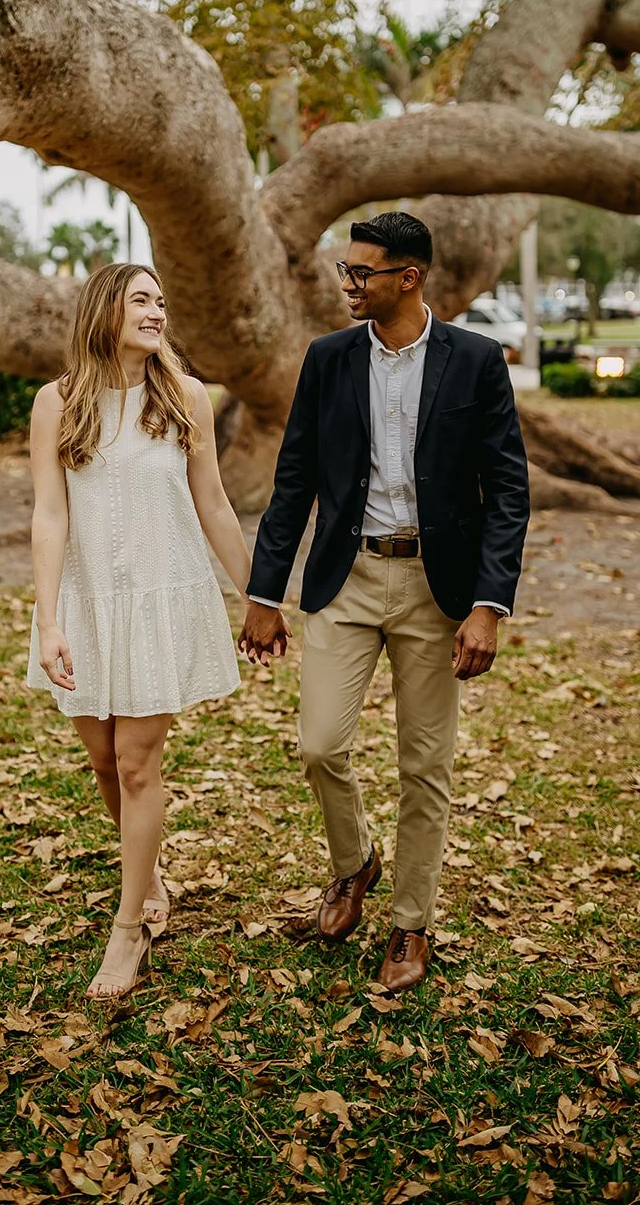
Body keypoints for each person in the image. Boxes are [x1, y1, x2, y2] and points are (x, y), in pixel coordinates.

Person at [239, 212, 530, 994]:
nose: (346, 285)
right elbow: (293, 479)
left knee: (424, 766)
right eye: (345, 270)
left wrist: (487, 604)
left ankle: (409, 924)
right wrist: (264, 593)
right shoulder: (328, 360)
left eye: (360, 273)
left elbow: (506, 490)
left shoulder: (473, 361)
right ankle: (353, 863)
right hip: (347, 577)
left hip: (438, 589)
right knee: (319, 745)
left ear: (408, 277)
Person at [27, 262, 250, 998]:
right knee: (100, 756)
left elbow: (214, 503)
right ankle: (146, 871)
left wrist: (259, 596)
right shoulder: (56, 403)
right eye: (142, 301)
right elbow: (50, 515)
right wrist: (49, 619)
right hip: (87, 604)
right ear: (106, 312)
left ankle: (130, 929)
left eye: (162, 301)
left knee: (134, 762)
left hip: (160, 597)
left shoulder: (184, 395)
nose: (157, 312)